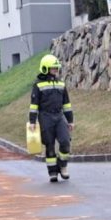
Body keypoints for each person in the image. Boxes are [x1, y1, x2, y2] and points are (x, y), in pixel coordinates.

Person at [28, 54, 74, 183]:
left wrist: (70, 121)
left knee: (65, 142)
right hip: (45, 117)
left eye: (56, 68)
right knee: (49, 145)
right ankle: (52, 172)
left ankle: (63, 166)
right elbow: (34, 105)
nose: (56, 70)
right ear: (45, 68)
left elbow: (67, 104)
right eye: (53, 68)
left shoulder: (61, 84)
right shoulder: (38, 85)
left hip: (59, 116)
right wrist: (32, 121)